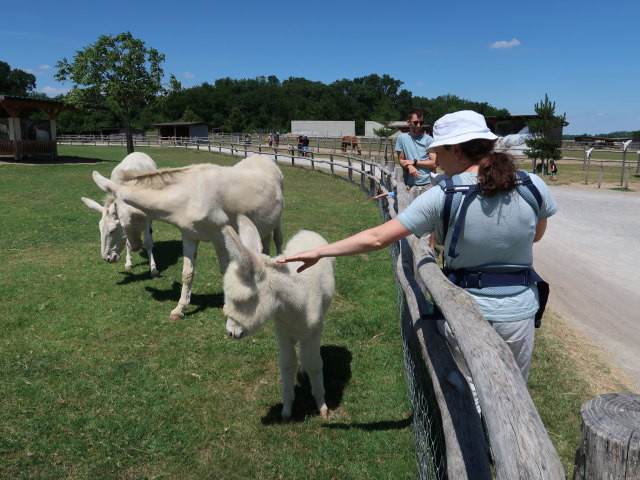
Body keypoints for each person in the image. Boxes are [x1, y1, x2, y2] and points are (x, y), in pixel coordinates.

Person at [279, 110, 558, 383]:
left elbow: (377, 238)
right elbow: (536, 236)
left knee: (472, 390)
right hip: (519, 312)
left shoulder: (444, 195)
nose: (433, 158)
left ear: (457, 151)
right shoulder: (532, 185)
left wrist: (319, 251)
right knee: (514, 387)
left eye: (438, 152)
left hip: (468, 311)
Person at [395, 109, 438, 196]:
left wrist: (414, 162)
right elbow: (401, 160)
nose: (418, 125)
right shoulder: (401, 138)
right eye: (415, 122)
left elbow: (434, 163)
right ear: (408, 122)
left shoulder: (429, 140)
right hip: (410, 184)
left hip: (428, 184)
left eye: (421, 123)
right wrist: (409, 165)